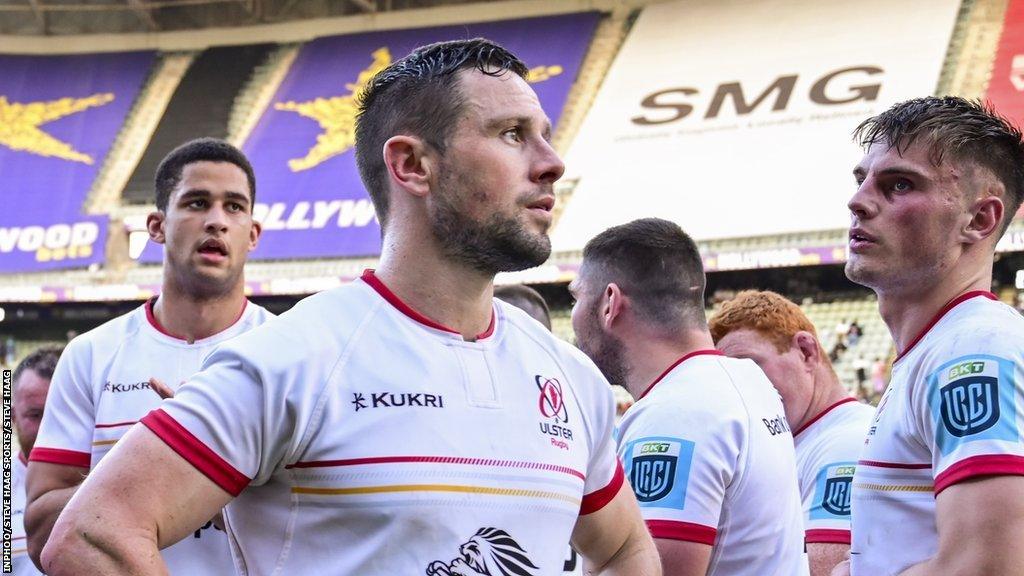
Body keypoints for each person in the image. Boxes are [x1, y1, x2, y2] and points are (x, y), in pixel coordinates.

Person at [40, 39, 660, 575]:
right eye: (512, 135)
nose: (552, 163)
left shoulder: (570, 378)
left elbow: (627, 548)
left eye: (544, 135)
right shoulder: (289, 361)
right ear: (412, 165)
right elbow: (93, 535)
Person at [26, 138, 271, 574]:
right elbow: (42, 532)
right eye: (197, 203)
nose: (217, 221)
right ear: (157, 226)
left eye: (234, 207)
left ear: (252, 234)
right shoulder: (90, 355)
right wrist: (145, 461)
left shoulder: (286, 352)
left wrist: (208, 466)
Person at [836, 96, 1024, 575]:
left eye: (899, 184)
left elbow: (987, 567)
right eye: (862, 180)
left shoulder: (975, 350)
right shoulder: (941, 347)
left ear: (979, 219)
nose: (858, 201)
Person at [570, 218, 806, 576]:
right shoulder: (746, 379)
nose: (572, 316)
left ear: (609, 303)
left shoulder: (674, 414)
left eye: (576, 297)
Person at [708, 290, 873, 576]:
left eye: (750, 367)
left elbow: (826, 569)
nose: (739, 389)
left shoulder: (845, 445)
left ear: (806, 352)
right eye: (727, 378)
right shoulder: (801, 440)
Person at [10, 346, 62, 576]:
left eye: (59, 412)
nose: (47, 427)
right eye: (35, 415)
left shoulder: (113, 479)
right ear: (12, 417)